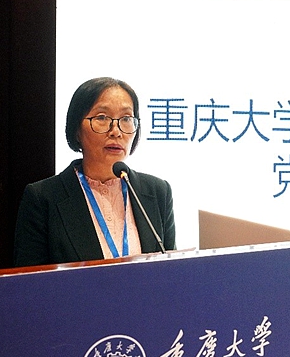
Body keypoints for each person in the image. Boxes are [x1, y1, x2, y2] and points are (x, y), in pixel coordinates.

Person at [14, 77, 176, 266]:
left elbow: (171, 270)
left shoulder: (158, 192)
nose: (116, 131)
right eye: (102, 118)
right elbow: (31, 280)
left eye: (126, 119)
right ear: (76, 129)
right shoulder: (44, 198)